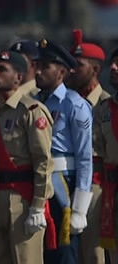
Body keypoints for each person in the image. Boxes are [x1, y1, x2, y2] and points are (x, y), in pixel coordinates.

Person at [0, 50, 53, 264]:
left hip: (23, 197)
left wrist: (37, 206)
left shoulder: (31, 111)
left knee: (27, 259)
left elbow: (43, 161)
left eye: (2, 69)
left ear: (18, 77)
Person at [36, 39, 94, 263]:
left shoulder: (74, 104)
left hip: (64, 186)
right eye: (37, 65)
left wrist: (80, 208)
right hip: (38, 184)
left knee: (65, 252)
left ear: (61, 71)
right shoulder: (33, 102)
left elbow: (84, 157)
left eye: (46, 66)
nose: (39, 71)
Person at [67, 30, 110, 264]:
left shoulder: (105, 105)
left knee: (93, 253)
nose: (71, 70)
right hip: (67, 182)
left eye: (78, 65)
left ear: (95, 70)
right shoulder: (64, 102)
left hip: (96, 186)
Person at [92, 46, 118, 255]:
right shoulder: (103, 109)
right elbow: (98, 147)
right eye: (113, 63)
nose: (113, 68)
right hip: (112, 191)